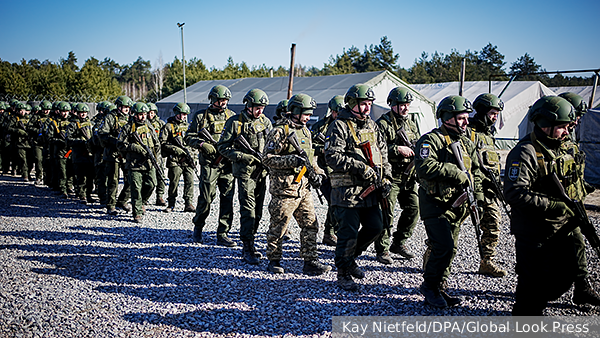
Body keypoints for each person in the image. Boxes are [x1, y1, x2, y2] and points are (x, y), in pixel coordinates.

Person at [505, 96, 600, 315]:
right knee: (532, 285)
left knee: (566, 275)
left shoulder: (557, 148)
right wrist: (555, 206)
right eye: (563, 127)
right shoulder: (525, 152)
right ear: (545, 124)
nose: (567, 132)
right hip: (533, 231)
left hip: (558, 229)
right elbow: (514, 192)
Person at [415, 95, 483, 308]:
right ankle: (429, 286)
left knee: (450, 248)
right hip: (434, 204)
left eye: (466, 118)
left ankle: (440, 287)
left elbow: (477, 171)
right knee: (443, 246)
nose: (466, 122)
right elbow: (424, 167)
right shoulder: (430, 140)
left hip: (457, 206)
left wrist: (478, 195)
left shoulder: (466, 143)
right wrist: (455, 172)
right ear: (447, 117)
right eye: (461, 118)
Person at [324, 84, 392, 291]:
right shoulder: (340, 126)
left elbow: (383, 153)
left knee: (376, 227)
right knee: (348, 233)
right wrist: (360, 167)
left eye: (369, 104)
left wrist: (386, 177)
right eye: (363, 104)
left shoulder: (373, 126)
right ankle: (343, 272)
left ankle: (351, 258)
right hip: (347, 192)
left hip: (371, 190)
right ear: (352, 103)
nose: (367, 108)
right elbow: (332, 157)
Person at [263, 93, 331, 276]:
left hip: (304, 188)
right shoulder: (280, 131)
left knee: (311, 224)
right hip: (284, 189)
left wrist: (318, 173)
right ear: (295, 111)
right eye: (305, 113)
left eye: (310, 114)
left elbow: (311, 159)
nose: (308, 117)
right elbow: (267, 159)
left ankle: (310, 261)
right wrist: (292, 160)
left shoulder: (306, 131)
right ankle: (274, 260)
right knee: (279, 226)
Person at [217, 88, 272, 265]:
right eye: (257, 107)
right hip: (245, 173)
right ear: (248, 105)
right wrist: (243, 156)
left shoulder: (266, 122)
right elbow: (223, 147)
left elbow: (272, 144)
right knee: (248, 210)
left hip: (262, 173)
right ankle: (247, 246)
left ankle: (252, 241)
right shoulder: (235, 122)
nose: (260, 111)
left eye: (262, 107)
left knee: (258, 211)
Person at [373, 87, 420, 264]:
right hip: (391, 174)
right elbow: (377, 148)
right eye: (402, 105)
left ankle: (399, 242)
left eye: (407, 105)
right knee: (387, 212)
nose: (406, 108)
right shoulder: (382, 124)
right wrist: (397, 149)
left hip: (409, 175)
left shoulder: (411, 124)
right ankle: (382, 249)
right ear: (392, 104)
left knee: (414, 209)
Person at [185, 85, 236, 246]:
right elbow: (188, 137)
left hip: (227, 164)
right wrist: (201, 144)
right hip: (210, 164)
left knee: (227, 198)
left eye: (225, 100)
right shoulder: (201, 116)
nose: (223, 103)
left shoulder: (232, 116)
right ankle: (198, 226)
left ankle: (223, 232)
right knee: (206, 198)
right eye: (220, 100)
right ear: (212, 99)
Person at [468, 93, 507, 277]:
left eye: (497, 114)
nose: (495, 117)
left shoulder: (489, 135)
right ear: (482, 111)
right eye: (492, 113)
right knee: (449, 226)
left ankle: (487, 262)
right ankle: (432, 259)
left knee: (493, 225)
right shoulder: (467, 131)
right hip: (467, 189)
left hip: (488, 190)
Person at [117, 102, 159, 223]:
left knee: (152, 184)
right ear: (134, 115)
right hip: (134, 164)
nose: (143, 117)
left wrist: (156, 158)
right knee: (136, 188)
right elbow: (119, 144)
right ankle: (137, 213)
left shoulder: (149, 126)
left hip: (149, 163)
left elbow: (156, 143)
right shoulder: (128, 127)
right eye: (140, 114)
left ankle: (141, 202)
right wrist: (134, 147)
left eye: (144, 114)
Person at [311, 95, 344, 247]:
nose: (338, 115)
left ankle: (335, 231)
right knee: (333, 200)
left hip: (341, 170)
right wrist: (324, 149)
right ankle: (329, 232)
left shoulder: (346, 126)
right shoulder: (319, 127)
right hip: (323, 171)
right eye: (336, 112)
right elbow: (309, 148)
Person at [99, 96, 133, 215]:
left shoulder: (131, 118)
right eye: (124, 107)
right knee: (113, 181)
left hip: (126, 154)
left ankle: (123, 200)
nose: (126, 109)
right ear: (118, 106)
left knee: (130, 179)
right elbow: (102, 134)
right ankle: (111, 205)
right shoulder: (110, 117)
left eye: (128, 107)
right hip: (112, 154)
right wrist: (116, 141)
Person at [160, 102, 195, 213]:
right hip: (174, 160)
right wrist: (175, 149)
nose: (182, 116)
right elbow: (163, 143)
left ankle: (188, 203)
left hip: (188, 159)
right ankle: (171, 204)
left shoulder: (190, 126)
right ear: (176, 113)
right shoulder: (168, 126)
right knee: (174, 182)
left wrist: (192, 154)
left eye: (184, 114)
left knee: (189, 182)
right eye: (180, 114)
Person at [65, 103, 95, 204]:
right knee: (80, 176)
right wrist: (80, 141)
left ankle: (89, 194)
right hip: (78, 154)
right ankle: (82, 195)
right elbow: (68, 140)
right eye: (81, 112)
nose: (83, 114)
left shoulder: (90, 124)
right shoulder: (72, 125)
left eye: (85, 112)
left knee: (90, 176)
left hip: (90, 154)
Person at [47, 101, 73, 198]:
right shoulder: (54, 123)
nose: (65, 113)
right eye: (63, 111)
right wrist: (59, 141)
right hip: (60, 151)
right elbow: (49, 138)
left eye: (67, 111)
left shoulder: (72, 122)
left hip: (70, 150)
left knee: (70, 170)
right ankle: (63, 189)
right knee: (62, 171)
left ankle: (69, 186)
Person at [28, 100, 52, 186]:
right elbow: (29, 127)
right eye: (45, 109)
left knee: (47, 161)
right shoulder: (36, 117)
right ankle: (38, 176)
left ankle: (46, 178)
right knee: (38, 160)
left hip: (47, 142)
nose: (46, 111)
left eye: (48, 109)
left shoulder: (51, 118)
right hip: (38, 142)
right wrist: (38, 130)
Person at [6, 102, 33, 181]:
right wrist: (18, 131)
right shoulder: (14, 118)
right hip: (20, 142)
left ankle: (28, 173)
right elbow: (8, 128)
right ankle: (25, 175)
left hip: (29, 142)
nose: (22, 112)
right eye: (20, 110)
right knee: (23, 159)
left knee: (30, 160)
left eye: (23, 110)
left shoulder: (29, 118)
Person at [147, 102, 167, 206]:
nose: (150, 115)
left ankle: (159, 196)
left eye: (152, 112)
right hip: (147, 153)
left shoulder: (161, 123)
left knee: (161, 174)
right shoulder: (143, 124)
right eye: (149, 112)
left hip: (158, 153)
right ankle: (144, 197)